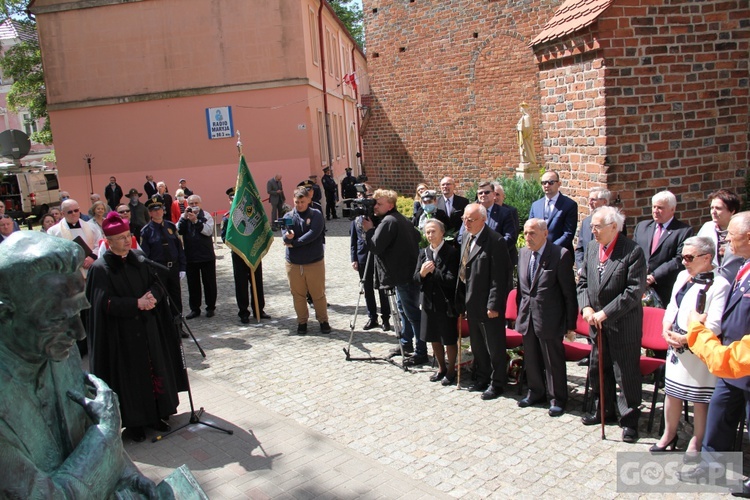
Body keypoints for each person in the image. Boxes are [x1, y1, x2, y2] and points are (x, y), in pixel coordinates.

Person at [0, 231, 158, 498]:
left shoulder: (57, 349)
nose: (78, 334)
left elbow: (86, 431)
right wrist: (106, 434)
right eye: (58, 319)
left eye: (77, 313)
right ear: (5, 314)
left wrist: (129, 476)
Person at [86, 212, 187, 442]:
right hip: (122, 336)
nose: (125, 240)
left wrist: (153, 296)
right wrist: (136, 304)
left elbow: (158, 283)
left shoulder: (139, 259)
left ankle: (157, 415)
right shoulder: (100, 269)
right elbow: (103, 303)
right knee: (131, 380)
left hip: (148, 330)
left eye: (127, 235)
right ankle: (134, 423)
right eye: (120, 237)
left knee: (154, 372)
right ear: (108, 241)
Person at [678, 212, 750, 492]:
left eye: (730, 234)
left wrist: (698, 330)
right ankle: (711, 468)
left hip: (741, 360)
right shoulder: (741, 266)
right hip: (731, 361)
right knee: (719, 416)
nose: (725, 239)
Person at [651, 236, 729, 455]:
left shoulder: (720, 284)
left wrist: (686, 339)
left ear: (706, 258)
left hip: (699, 349)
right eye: (683, 256)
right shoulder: (683, 276)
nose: (684, 261)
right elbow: (672, 305)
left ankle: (697, 440)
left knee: (700, 398)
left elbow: (714, 324)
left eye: (688, 257)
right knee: (673, 393)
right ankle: (669, 434)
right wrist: (666, 329)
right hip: (675, 345)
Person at [577, 206, 646, 443]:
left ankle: (629, 420)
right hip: (596, 324)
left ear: (614, 227)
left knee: (625, 373)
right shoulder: (593, 248)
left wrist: (605, 313)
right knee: (599, 368)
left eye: (598, 227)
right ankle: (602, 409)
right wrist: (586, 306)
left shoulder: (632, 252)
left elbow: (633, 291)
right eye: (591, 227)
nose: (593, 231)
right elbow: (583, 281)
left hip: (622, 323)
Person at [516, 218, 577, 416]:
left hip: (550, 316)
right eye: (525, 233)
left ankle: (557, 397)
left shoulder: (560, 255)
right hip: (527, 315)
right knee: (531, 357)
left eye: (532, 233)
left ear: (545, 233)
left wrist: (570, 324)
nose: (528, 237)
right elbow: (521, 288)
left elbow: (569, 292)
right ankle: (536, 391)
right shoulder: (524, 253)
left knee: (553, 360)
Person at [362, 189, 424, 365]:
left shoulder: (389, 221)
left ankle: (421, 351)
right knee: (404, 310)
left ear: (390, 205)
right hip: (406, 274)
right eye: (375, 203)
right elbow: (417, 236)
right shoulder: (399, 218)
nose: (375, 207)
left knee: (411, 312)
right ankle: (406, 343)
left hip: (403, 275)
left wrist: (368, 230)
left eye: (379, 204)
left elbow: (375, 247)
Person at [455, 203, 510, 400]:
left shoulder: (495, 241)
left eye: (471, 220)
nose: (466, 223)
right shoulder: (466, 238)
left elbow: (500, 277)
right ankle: (482, 376)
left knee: (494, 346)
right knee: (477, 345)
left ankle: (498, 383)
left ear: (483, 219)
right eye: (464, 219)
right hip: (471, 302)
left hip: (488, 305)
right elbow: (464, 271)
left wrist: (493, 305)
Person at [414, 219, 459, 385]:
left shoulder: (451, 253)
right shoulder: (423, 252)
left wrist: (434, 271)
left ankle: (452, 369)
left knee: (448, 338)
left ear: (442, 232)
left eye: (433, 231)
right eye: (428, 232)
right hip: (428, 302)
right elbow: (415, 279)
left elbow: (451, 279)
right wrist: (422, 273)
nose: (430, 235)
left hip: (445, 303)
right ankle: (441, 368)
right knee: (433, 337)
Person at [282, 188, 330, 334]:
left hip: (313, 261)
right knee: (298, 295)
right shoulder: (288, 216)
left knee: (318, 294)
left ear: (308, 200)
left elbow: (313, 233)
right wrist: (287, 237)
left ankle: (323, 320)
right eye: (297, 202)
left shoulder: (316, 214)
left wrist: (294, 243)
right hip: (294, 263)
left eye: (302, 202)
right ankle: (302, 322)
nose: (299, 205)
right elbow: (284, 235)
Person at [633, 190, 693, 307]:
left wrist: (654, 276)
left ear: (672, 209)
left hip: (664, 288)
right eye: (654, 207)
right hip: (639, 285)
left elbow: (678, 259)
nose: (655, 211)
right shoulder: (642, 227)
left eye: (660, 208)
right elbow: (633, 253)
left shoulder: (683, 231)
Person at [221, 187, 270, 323]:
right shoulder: (227, 218)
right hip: (238, 254)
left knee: (257, 282)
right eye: (232, 198)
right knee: (241, 284)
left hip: (253, 252)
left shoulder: (252, 214)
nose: (234, 200)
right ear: (230, 200)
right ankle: (243, 312)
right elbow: (224, 237)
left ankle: (259, 309)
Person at [139, 200, 187, 336]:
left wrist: (182, 267)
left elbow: (179, 248)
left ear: (163, 210)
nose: (157, 212)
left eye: (159, 209)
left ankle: (178, 327)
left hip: (173, 268)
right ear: (150, 213)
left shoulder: (171, 226)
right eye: (154, 210)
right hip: (158, 270)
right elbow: (145, 255)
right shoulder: (146, 231)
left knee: (176, 299)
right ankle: (163, 329)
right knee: (159, 299)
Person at [349, 184, 390, 331]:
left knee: (382, 288)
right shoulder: (357, 216)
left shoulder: (379, 216)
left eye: (368, 195)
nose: (364, 198)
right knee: (367, 289)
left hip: (378, 255)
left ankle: (386, 318)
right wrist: (353, 258)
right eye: (361, 196)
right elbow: (353, 239)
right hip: (363, 256)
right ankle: (372, 317)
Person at [177, 195, 217, 319]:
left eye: (196, 203)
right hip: (191, 256)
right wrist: (184, 218)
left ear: (200, 204)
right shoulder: (184, 217)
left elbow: (208, 231)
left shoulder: (206, 215)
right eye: (191, 203)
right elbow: (179, 230)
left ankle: (210, 307)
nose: (194, 205)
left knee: (209, 284)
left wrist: (196, 221)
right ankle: (195, 309)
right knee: (193, 285)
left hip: (206, 256)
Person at [575, 188, 627, 274]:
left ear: (605, 202)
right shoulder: (586, 222)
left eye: (593, 200)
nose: (589, 203)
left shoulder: (615, 222)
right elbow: (579, 249)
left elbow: (620, 247)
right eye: (589, 199)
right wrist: (581, 268)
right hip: (587, 273)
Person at [697, 189, 743, 283]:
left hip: (735, 285)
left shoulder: (742, 230)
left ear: (732, 211)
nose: (713, 212)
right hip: (710, 283)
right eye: (711, 208)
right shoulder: (707, 227)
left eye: (718, 208)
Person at [47, 199, 102, 276]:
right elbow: (53, 251)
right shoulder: (54, 231)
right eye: (70, 212)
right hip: (70, 272)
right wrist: (77, 261)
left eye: (76, 210)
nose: (74, 213)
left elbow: (99, 244)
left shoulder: (91, 227)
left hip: (91, 267)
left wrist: (92, 257)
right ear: (63, 213)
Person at [528, 170, 577, 253]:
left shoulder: (569, 205)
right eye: (544, 183)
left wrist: (550, 249)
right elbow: (530, 229)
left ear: (559, 184)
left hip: (559, 253)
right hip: (538, 252)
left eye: (551, 182)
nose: (547, 185)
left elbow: (568, 234)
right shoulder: (535, 205)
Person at [517, 101, 537, 167]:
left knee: (527, 148)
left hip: (526, 136)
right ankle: (524, 160)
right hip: (522, 136)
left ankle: (530, 160)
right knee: (523, 149)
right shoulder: (523, 117)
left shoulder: (527, 117)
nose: (520, 110)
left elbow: (529, 127)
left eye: (521, 108)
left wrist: (522, 130)